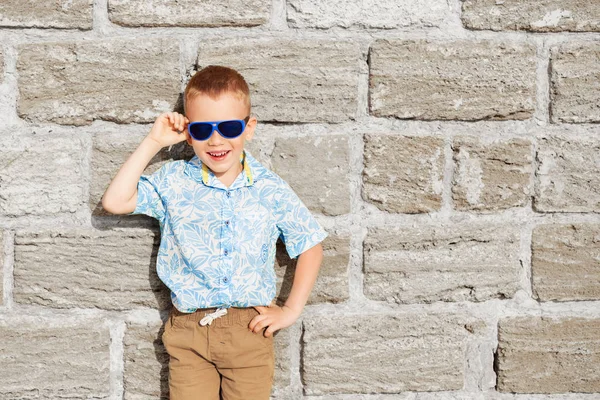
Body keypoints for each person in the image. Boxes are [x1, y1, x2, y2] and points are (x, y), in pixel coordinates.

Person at [101, 65, 328, 399]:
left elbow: (310, 243)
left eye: (229, 127)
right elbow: (115, 201)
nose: (216, 139)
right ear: (190, 133)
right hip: (190, 332)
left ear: (249, 128)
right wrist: (154, 141)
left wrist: (291, 309)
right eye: (204, 128)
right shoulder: (174, 180)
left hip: (250, 332)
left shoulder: (269, 188)